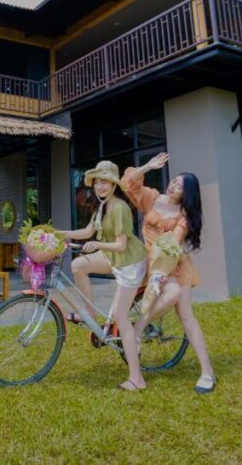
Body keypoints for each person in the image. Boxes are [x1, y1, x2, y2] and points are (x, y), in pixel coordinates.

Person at [122, 152, 217, 394]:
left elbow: (173, 245)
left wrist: (161, 272)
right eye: (173, 181)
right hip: (148, 259)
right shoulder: (153, 198)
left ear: (187, 194)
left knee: (185, 312)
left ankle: (207, 372)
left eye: (179, 186)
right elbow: (128, 183)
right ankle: (136, 331)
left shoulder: (184, 216)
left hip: (172, 262)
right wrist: (147, 166)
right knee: (176, 300)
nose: (173, 185)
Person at [59, 160, 149, 391]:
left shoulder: (119, 207)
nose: (99, 186)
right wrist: (60, 233)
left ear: (113, 184)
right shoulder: (101, 206)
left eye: (104, 182)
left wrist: (97, 244)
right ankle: (90, 316)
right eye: (97, 182)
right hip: (112, 256)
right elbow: (87, 231)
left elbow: (121, 245)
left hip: (129, 261)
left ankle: (137, 379)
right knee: (78, 265)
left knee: (120, 316)